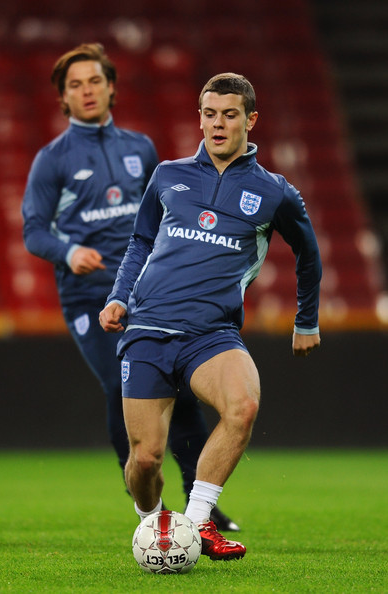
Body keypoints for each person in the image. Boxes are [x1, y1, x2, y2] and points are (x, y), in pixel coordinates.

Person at [99, 72, 322, 561]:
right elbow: (140, 241)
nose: (217, 124)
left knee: (242, 406)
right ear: (199, 117)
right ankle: (154, 523)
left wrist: (307, 319)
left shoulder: (275, 192)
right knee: (146, 458)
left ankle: (196, 524)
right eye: (209, 114)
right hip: (149, 329)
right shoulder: (168, 174)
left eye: (229, 114)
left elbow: (308, 254)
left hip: (211, 334)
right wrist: (119, 297)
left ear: (250, 120)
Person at [22, 44, 239, 531]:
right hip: (87, 295)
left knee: (179, 393)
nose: (87, 91)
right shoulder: (51, 160)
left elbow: (164, 215)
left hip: (147, 292)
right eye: (75, 85)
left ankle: (202, 503)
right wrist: (69, 252)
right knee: (122, 385)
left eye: (94, 81)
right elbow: (34, 231)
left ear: (111, 86)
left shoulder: (140, 148)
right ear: (63, 98)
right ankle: (146, 502)